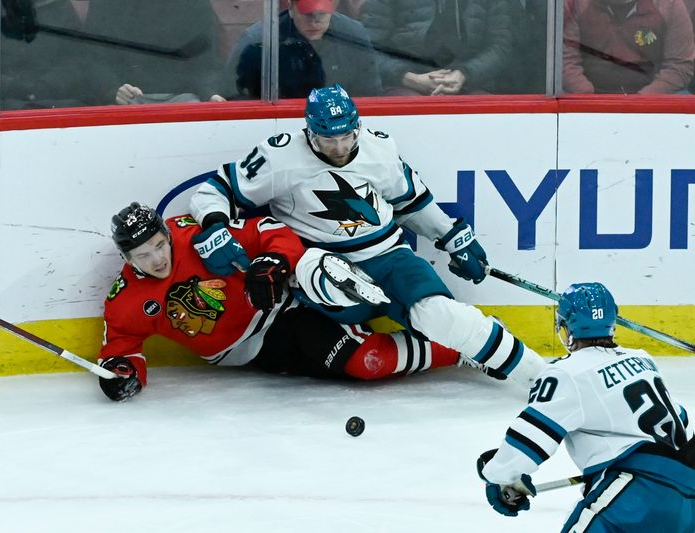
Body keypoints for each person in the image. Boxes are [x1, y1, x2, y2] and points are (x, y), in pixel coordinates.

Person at [188, 83, 547, 388]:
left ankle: (540, 378)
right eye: (329, 140)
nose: (340, 148)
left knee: (439, 316)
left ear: (357, 126)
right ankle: (357, 293)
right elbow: (214, 191)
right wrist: (215, 226)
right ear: (310, 131)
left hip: (389, 255)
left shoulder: (379, 148)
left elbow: (411, 201)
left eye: (347, 136)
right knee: (315, 266)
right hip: (322, 263)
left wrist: (452, 237)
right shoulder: (279, 156)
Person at [97, 202, 462, 402]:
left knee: (367, 361)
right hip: (260, 355)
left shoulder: (193, 234)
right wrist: (123, 375)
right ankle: (454, 342)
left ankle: (463, 346)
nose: (158, 259)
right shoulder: (125, 300)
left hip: (286, 311)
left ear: (166, 233)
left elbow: (270, 231)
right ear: (126, 259)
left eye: (160, 245)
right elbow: (121, 347)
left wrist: (273, 262)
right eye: (144, 255)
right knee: (358, 362)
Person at [477, 282, 694, 531]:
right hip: (689, 494)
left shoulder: (566, 372)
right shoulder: (642, 359)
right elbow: (679, 417)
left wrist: (497, 475)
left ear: (566, 326)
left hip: (634, 496)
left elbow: (527, 442)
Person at [227, 0, 382, 99]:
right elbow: (233, 92)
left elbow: (369, 92)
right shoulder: (258, 40)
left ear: (332, 8)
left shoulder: (354, 34)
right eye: (308, 15)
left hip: (338, 127)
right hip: (278, 121)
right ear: (291, 8)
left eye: (321, 14)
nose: (315, 23)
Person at [360, 0, 514, 95]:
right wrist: (410, 79)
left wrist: (464, 74)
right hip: (403, 83)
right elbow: (366, 49)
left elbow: (501, 46)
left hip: (471, 83)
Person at [86, 0, 226, 104]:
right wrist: (112, 89)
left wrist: (210, 93)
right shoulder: (106, 4)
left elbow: (206, 61)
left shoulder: (194, 4)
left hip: (184, 97)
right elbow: (94, 57)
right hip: (127, 100)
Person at [563, 0, 695, 94]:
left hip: (654, 94)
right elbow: (564, 60)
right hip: (589, 95)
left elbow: (680, 65)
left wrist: (642, 100)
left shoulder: (669, 5)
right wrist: (586, 96)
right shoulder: (576, 4)